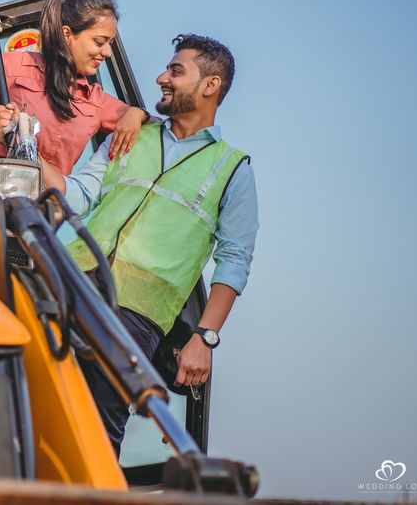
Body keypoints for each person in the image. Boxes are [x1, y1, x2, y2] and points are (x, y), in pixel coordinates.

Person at [41, 33, 258, 453]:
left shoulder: (234, 169)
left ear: (210, 85)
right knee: (20, 402)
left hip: (134, 316)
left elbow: (234, 260)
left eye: (176, 71)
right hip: (64, 285)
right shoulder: (130, 136)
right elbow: (77, 194)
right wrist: (26, 152)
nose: (162, 76)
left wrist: (204, 338)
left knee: (96, 437)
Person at [0, 0, 149, 195]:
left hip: (44, 199)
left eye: (110, 43)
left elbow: (160, 132)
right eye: (100, 42)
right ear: (67, 34)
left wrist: (137, 113)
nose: (107, 52)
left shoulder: (97, 101)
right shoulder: (15, 65)